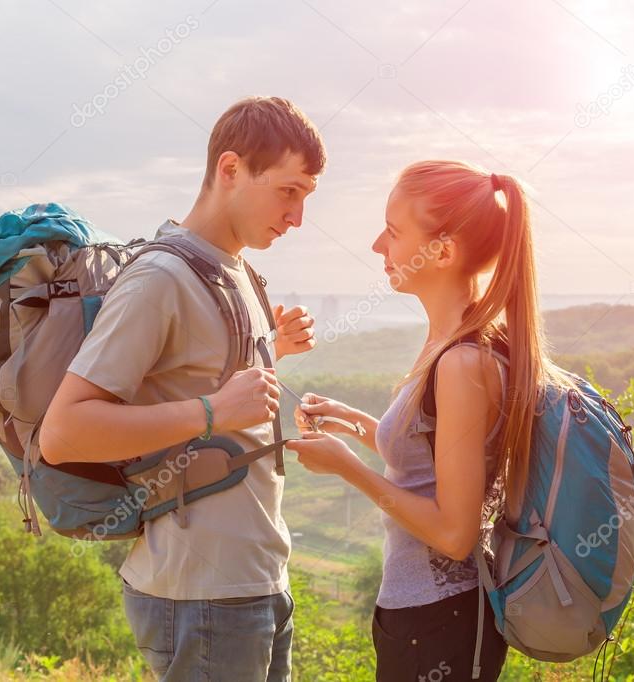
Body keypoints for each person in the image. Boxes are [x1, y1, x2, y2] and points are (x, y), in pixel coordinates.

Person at [40, 96, 325, 681]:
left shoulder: (237, 270)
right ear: (230, 170)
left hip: (258, 579)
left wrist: (272, 352)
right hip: (201, 595)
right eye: (288, 191)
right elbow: (63, 432)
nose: (297, 217)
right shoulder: (159, 277)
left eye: (305, 198)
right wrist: (211, 410)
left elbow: (215, 395)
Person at [286, 161, 573, 680]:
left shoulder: (463, 362)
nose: (378, 245)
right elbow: (435, 464)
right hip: (425, 614)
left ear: (442, 251)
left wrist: (349, 469)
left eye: (394, 232)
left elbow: (454, 534)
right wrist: (355, 424)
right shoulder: (452, 341)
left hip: (439, 622)